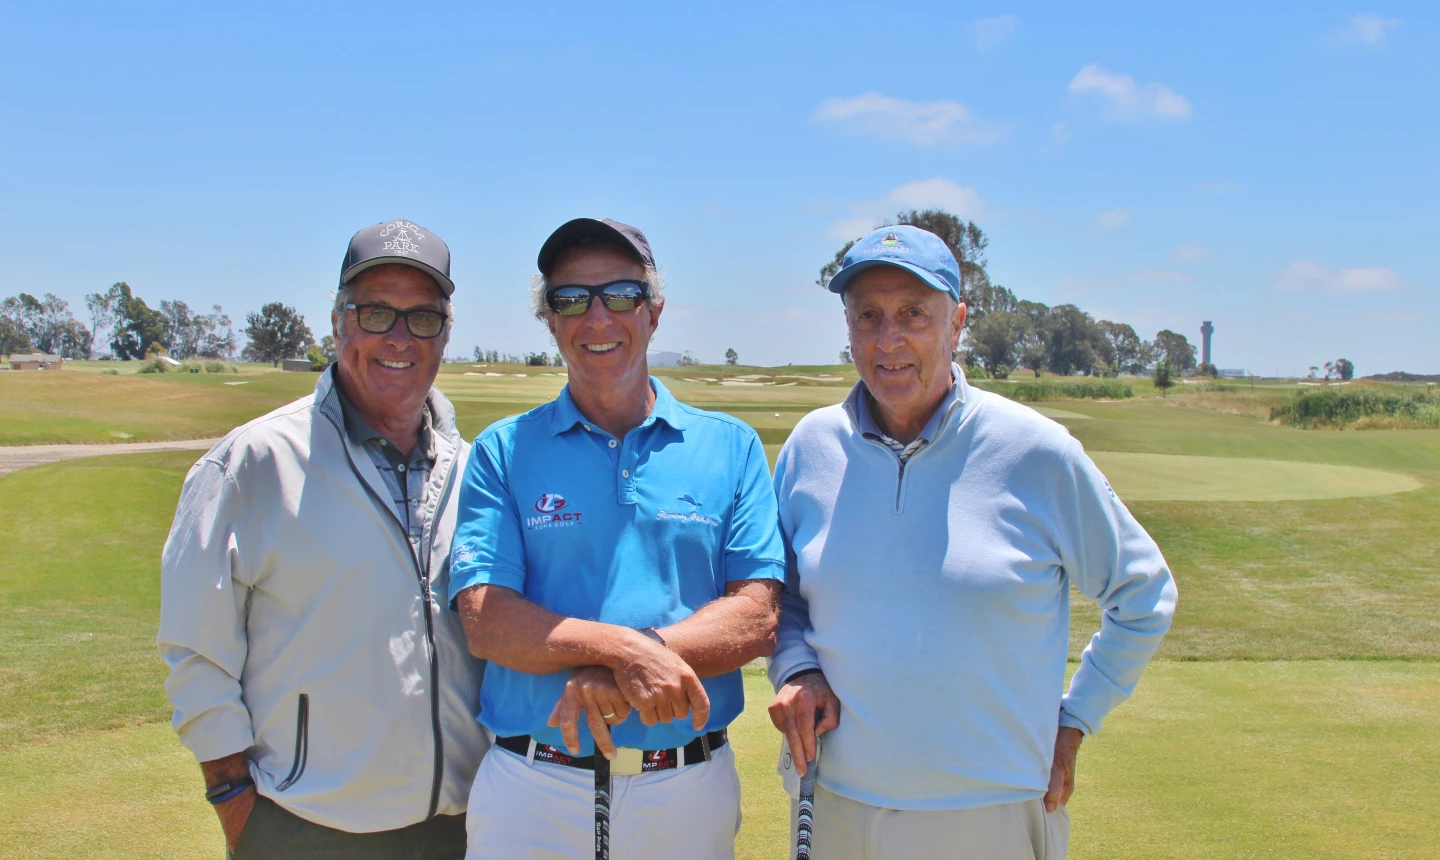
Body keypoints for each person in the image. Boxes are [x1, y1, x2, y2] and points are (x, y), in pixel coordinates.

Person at [767, 225, 1178, 859]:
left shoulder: (1037, 451)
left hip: (991, 810)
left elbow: (1143, 596)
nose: (888, 339)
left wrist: (1073, 723)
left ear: (957, 322)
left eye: (913, 315)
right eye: (868, 316)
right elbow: (781, 599)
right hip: (833, 801)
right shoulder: (810, 447)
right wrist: (797, 669)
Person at [448, 218, 784, 859]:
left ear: (654, 311)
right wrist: (623, 654)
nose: (597, 318)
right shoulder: (503, 450)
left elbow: (757, 616)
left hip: (685, 789)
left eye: (621, 295)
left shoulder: (730, 446)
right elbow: (486, 619)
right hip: (531, 787)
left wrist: (624, 667)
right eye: (571, 299)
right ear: (549, 320)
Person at [157, 219, 488, 859]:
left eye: (422, 318)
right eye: (374, 313)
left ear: (445, 334)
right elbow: (196, 651)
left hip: (468, 825)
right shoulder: (251, 463)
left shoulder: (476, 469)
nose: (398, 337)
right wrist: (236, 807)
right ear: (338, 323)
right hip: (307, 827)